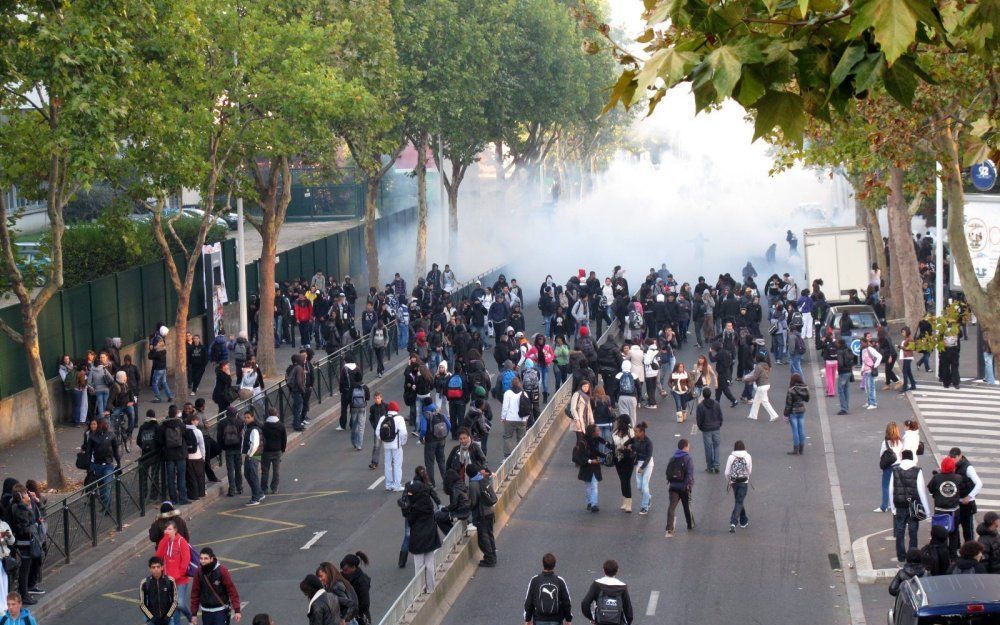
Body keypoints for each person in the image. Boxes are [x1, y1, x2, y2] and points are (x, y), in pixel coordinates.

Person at [888, 449, 932, 562]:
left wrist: (893, 507)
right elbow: (921, 490)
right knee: (913, 531)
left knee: (900, 531)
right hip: (913, 504)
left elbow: (891, 490)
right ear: (912, 458)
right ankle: (913, 556)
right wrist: (926, 510)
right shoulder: (917, 470)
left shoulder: (895, 470)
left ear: (902, 458)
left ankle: (901, 556)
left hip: (900, 505)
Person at [403, 466, 442, 592]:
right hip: (430, 535)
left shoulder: (413, 508)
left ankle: (420, 590)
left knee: (418, 565)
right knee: (430, 564)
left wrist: (406, 509)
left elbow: (410, 519)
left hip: (418, 537)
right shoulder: (428, 504)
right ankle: (431, 587)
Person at [190, 548, 241, 625]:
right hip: (206, 612)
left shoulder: (222, 571)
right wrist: (194, 614)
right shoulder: (198, 572)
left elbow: (231, 590)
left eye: (206, 558)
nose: (203, 561)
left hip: (220, 611)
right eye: (201, 558)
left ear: (211, 559)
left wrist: (237, 610)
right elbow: (195, 593)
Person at [155, 521, 192, 625]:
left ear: (175, 530)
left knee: (179, 603)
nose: (167, 531)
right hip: (168, 580)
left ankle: (190, 617)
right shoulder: (164, 542)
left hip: (180, 580)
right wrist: (165, 539)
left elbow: (186, 560)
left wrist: (179, 574)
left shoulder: (181, 541)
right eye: (166, 529)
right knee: (173, 606)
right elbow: (158, 557)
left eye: (170, 529)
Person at [83, 417, 121, 514]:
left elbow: (116, 450)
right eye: (104, 423)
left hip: (108, 465)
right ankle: (105, 505)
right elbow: (88, 452)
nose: (106, 425)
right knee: (101, 488)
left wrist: (119, 463)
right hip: (96, 465)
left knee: (107, 486)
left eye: (107, 424)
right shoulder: (92, 437)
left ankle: (107, 508)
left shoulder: (111, 435)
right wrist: (89, 467)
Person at [523, 553, 573, 625]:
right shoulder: (560, 581)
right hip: (556, 620)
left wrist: (527, 619)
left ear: (543, 564)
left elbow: (528, 602)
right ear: (554, 565)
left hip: (539, 619)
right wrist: (568, 619)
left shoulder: (535, 580)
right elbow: (567, 602)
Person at [928, 456, 963, 558]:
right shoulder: (958, 478)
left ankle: (941, 555)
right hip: (954, 511)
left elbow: (930, 489)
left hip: (940, 511)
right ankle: (953, 556)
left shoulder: (936, 478)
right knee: (954, 533)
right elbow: (963, 489)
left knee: (939, 534)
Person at [580, 560, 633, 625]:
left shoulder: (597, 584)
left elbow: (585, 603)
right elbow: (628, 610)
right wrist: (628, 622)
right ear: (617, 571)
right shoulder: (622, 586)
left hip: (601, 621)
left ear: (603, 570)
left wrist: (591, 618)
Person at [950, 447, 984, 545]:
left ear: (960, 456)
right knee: (954, 529)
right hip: (956, 503)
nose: (953, 460)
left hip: (967, 503)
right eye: (951, 457)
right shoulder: (953, 465)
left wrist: (969, 496)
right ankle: (956, 550)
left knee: (968, 530)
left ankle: (970, 551)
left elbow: (979, 484)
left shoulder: (968, 467)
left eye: (954, 457)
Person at [665, 438, 695, 537]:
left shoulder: (673, 458)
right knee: (686, 506)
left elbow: (668, 472)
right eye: (688, 446)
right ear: (685, 447)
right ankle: (690, 525)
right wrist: (687, 485)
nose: (689, 448)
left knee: (671, 507)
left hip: (673, 487)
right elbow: (689, 474)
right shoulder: (688, 459)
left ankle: (669, 528)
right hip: (684, 488)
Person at [573, 424, 605, 513]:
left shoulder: (595, 440)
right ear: (593, 433)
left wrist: (604, 456)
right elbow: (581, 456)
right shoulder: (583, 442)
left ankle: (593, 504)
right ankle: (590, 503)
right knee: (589, 485)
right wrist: (591, 461)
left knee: (593, 485)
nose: (599, 432)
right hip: (587, 466)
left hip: (593, 466)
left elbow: (596, 451)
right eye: (597, 431)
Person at [377, 402, 409, 492]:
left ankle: (388, 484)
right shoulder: (399, 418)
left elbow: (377, 432)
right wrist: (403, 442)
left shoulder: (383, 418)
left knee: (387, 464)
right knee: (397, 465)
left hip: (386, 445)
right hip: (397, 445)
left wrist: (383, 440)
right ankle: (397, 485)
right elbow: (403, 432)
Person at [419, 403, 451, 488]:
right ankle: (446, 482)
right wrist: (445, 434)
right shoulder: (440, 414)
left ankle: (432, 484)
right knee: (441, 461)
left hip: (430, 442)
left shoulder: (425, 415)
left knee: (430, 463)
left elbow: (423, 429)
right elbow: (449, 425)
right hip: (441, 440)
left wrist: (421, 438)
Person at [724, 440, 752, 532]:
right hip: (744, 482)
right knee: (739, 501)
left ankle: (743, 521)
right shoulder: (748, 456)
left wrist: (729, 481)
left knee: (739, 501)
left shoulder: (731, 457)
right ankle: (733, 522)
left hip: (734, 482)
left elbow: (727, 472)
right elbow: (749, 471)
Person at [140, 556, 178, 625]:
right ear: (150, 569)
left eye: (158, 567)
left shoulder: (170, 581)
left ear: (162, 567)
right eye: (153, 567)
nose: (156, 569)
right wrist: (152, 618)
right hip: (152, 620)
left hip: (168, 620)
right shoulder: (144, 583)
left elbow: (175, 601)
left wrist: (167, 617)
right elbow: (142, 604)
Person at [216, 407, 244, 498]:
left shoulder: (222, 423)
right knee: (238, 469)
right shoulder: (240, 422)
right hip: (237, 448)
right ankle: (239, 487)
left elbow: (219, 437)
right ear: (236, 413)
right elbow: (242, 435)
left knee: (230, 470)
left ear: (227, 414)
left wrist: (223, 447)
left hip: (228, 449)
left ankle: (231, 490)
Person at [877, 422, 904, 513]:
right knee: (896, 487)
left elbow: (881, 455)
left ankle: (884, 506)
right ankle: (896, 505)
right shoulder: (899, 442)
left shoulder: (885, 443)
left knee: (886, 486)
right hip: (899, 466)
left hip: (889, 467)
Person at [695, 388, 723, 472]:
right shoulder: (716, 404)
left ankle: (710, 466)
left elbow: (699, 419)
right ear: (710, 394)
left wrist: (701, 427)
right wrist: (719, 424)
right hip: (716, 428)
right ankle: (716, 464)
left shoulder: (700, 406)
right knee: (716, 446)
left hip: (706, 429)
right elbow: (720, 415)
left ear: (703, 395)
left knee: (708, 448)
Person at [611, 415, 635, 514]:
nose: (617, 422)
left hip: (628, 459)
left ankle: (629, 503)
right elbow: (614, 444)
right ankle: (625, 500)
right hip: (618, 458)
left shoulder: (631, 432)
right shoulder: (615, 432)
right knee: (622, 479)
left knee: (626, 479)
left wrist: (625, 448)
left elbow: (633, 445)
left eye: (619, 421)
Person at [339, 552, 371, 625]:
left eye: (346, 570)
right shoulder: (346, 576)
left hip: (359, 618)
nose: (343, 572)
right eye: (342, 570)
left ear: (353, 567)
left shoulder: (362, 582)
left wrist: (351, 615)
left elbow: (365, 604)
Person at [744, 355, 779, 421]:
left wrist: (746, 379)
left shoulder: (758, 366)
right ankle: (753, 415)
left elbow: (755, 377)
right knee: (756, 401)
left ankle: (774, 415)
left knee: (764, 401)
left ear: (758, 359)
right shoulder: (766, 365)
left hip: (761, 385)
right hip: (766, 384)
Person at [260, 407, 286, 496]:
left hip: (266, 451)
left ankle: (264, 489)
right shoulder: (281, 425)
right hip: (277, 450)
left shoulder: (264, 426)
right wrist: (282, 449)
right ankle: (274, 488)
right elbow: (284, 439)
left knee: (265, 471)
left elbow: (262, 438)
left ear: (268, 414)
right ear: (277, 414)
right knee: (276, 470)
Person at [241, 410, 264, 506]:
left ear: (253, 418)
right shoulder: (250, 428)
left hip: (252, 456)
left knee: (251, 476)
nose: (246, 419)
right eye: (245, 417)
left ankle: (255, 498)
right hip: (252, 455)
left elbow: (255, 444)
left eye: (248, 417)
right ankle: (260, 493)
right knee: (248, 474)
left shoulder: (253, 429)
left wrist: (249, 455)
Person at [783, 373, 809, 455]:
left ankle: (795, 449)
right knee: (801, 429)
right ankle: (801, 449)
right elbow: (807, 399)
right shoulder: (805, 388)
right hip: (801, 411)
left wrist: (785, 414)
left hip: (793, 412)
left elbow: (788, 404)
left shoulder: (791, 390)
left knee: (795, 431)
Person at [632, 422, 654, 515]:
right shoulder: (635, 439)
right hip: (639, 463)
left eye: (636, 432)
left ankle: (644, 506)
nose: (635, 433)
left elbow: (648, 457)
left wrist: (642, 467)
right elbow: (630, 443)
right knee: (639, 487)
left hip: (647, 465)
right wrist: (627, 446)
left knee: (645, 486)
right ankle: (648, 497)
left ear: (642, 432)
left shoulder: (649, 442)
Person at [184, 413, 207, 501]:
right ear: (192, 421)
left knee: (191, 477)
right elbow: (202, 446)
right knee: (200, 476)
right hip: (198, 456)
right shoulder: (198, 432)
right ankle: (201, 493)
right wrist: (203, 457)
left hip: (188, 457)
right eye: (196, 420)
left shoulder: (184, 430)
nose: (198, 421)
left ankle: (193, 495)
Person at [859, 337, 882, 410]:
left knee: (871, 387)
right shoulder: (863, 350)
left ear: (866, 343)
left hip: (870, 370)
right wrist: (862, 370)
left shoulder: (870, 349)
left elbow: (879, 356)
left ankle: (873, 403)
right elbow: (864, 361)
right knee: (867, 387)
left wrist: (875, 366)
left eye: (862, 343)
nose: (861, 344)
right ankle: (869, 402)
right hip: (866, 370)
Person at [368, 392, 388, 470]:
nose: (377, 400)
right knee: (376, 446)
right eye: (375, 398)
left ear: (381, 398)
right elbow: (371, 418)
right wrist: (375, 427)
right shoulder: (372, 408)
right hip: (377, 430)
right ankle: (374, 462)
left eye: (378, 398)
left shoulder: (386, 406)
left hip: (386, 430)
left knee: (389, 446)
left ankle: (392, 460)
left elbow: (389, 417)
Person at [835, 339, 852, 415]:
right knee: (846, 389)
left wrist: (839, 369)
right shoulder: (848, 350)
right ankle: (846, 406)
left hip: (843, 372)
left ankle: (843, 408)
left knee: (840, 390)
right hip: (849, 371)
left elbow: (841, 363)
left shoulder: (839, 351)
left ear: (839, 343)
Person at [899, 326, 917, 392]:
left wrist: (900, 347)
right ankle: (913, 385)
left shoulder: (910, 338)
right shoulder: (907, 338)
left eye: (903, 332)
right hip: (907, 356)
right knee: (908, 372)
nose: (902, 333)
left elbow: (911, 348)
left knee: (905, 371)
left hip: (908, 357)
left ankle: (905, 386)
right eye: (902, 332)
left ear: (907, 331)